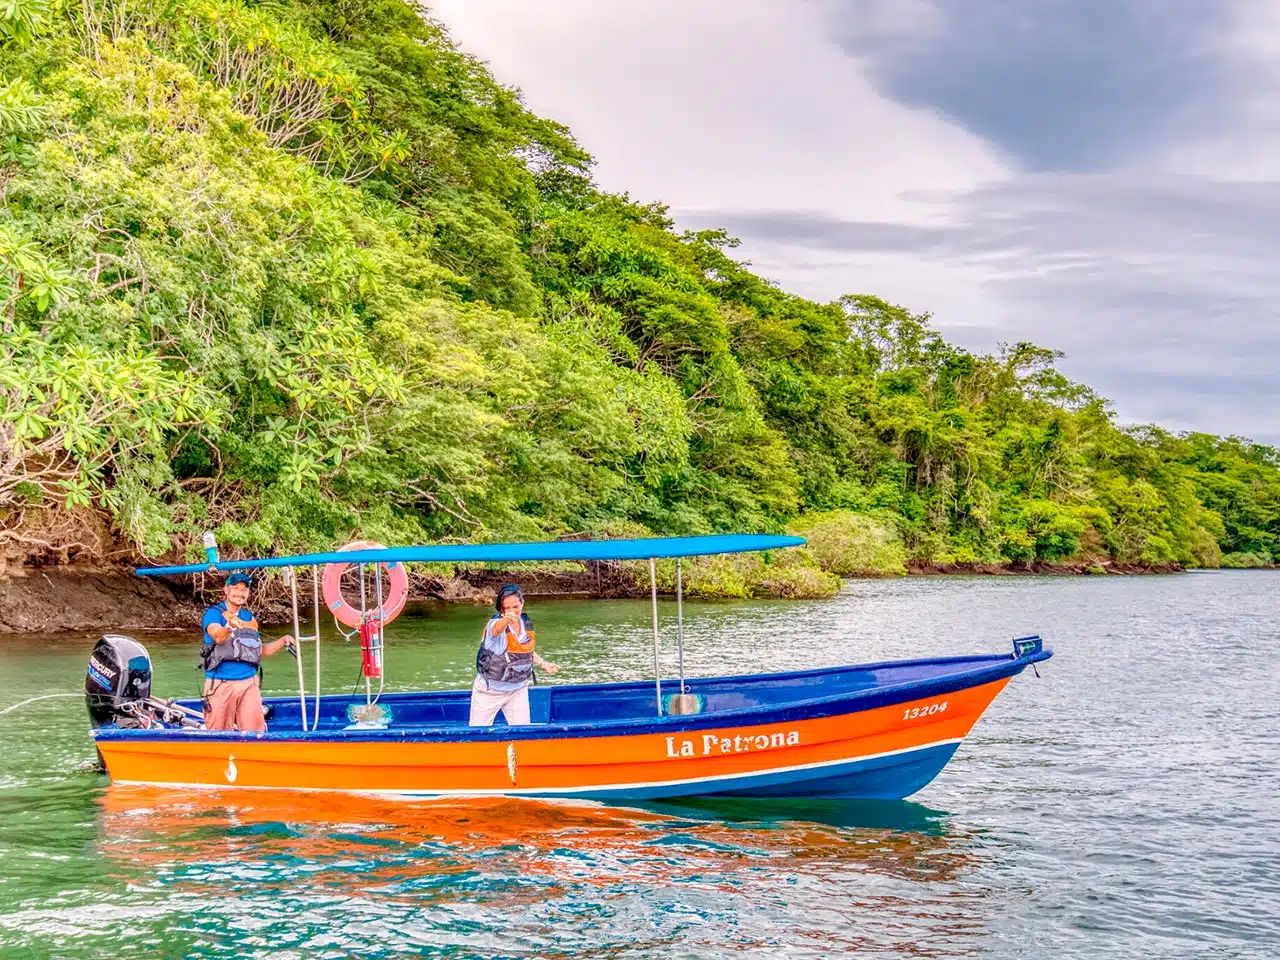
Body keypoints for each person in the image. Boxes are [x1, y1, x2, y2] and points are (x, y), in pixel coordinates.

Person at [201, 572, 295, 732]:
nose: (240, 593)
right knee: (218, 732)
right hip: (221, 683)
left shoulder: (249, 618)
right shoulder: (214, 613)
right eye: (235, 588)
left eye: (244, 589)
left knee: (256, 732)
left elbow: (258, 652)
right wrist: (229, 626)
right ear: (226, 590)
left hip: (249, 683)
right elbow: (217, 636)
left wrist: (282, 641)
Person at [469, 584, 560, 726]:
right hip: (489, 691)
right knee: (477, 733)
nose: (512, 611)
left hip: (517, 689)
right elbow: (496, 630)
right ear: (501, 609)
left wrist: (544, 664)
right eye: (507, 608)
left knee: (522, 732)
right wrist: (506, 620)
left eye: (515, 607)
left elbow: (524, 651)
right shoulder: (495, 624)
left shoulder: (525, 623)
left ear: (522, 604)